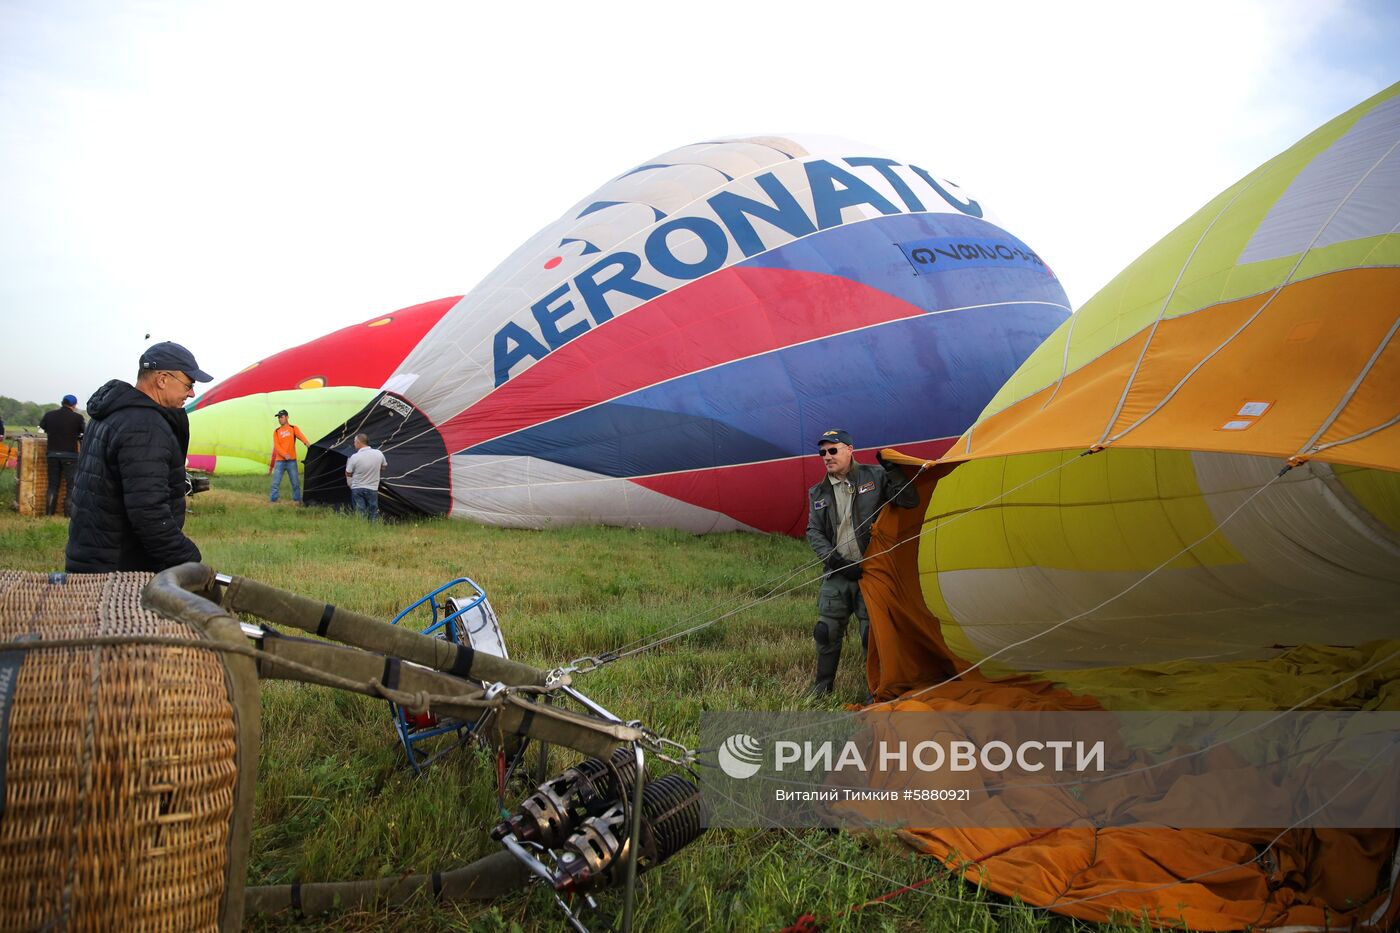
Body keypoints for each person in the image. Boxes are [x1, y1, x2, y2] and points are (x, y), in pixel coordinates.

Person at [65, 342, 213, 573]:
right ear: (162, 379)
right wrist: (188, 559)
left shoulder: (109, 415)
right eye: (189, 383)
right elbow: (149, 512)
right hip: (121, 570)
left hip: (92, 554)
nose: (192, 392)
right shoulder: (144, 426)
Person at [804, 429, 919, 697]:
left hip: (871, 571)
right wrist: (835, 561)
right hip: (838, 572)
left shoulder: (875, 477)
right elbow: (814, 531)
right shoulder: (818, 492)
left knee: (872, 636)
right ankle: (822, 686)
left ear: (849, 449)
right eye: (822, 452)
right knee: (825, 631)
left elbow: (909, 500)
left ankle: (874, 689)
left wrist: (893, 471)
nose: (827, 457)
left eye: (833, 450)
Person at [39, 394, 85, 516]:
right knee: (71, 486)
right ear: (74, 405)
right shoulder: (78, 418)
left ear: (62, 402)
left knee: (53, 485)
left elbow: (43, 427)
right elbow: (84, 432)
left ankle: (49, 513)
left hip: (52, 454)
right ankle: (67, 515)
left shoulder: (49, 415)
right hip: (70, 455)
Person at [269, 409, 310, 504]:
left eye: (281, 417)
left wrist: (306, 443)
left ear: (287, 417)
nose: (279, 419)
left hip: (291, 461)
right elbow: (277, 446)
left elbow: (301, 436)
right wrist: (284, 454)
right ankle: (273, 501)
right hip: (279, 461)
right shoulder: (276, 431)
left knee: (295, 482)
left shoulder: (293, 428)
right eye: (278, 417)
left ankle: (297, 501)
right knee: (275, 483)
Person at [345, 433, 388, 521]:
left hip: (357, 487)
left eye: (354, 442)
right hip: (372, 487)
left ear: (358, 442)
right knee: (373, 510)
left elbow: (348, 473)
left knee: (360, 511)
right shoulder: (378, 453)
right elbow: (383, 467)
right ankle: (373, 529)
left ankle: (362, 528)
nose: (354, 444)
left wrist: (356, 473)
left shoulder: (355, 457)